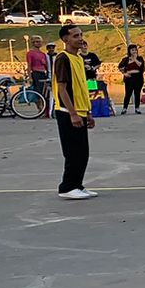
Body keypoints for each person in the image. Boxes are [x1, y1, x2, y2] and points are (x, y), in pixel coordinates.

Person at [51, 23, 96, 199]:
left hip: (81, 111)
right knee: (72, 151)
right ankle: (67, 186)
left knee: (83, 151)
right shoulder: (63, 58)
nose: (80, 38)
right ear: (65, 39)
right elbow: (62, 88)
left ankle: (77, 184)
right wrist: (73, 113)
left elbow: (81, 88)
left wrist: (88, 113)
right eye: (75, 36)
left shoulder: (78, 58)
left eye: (80, 35)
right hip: (67, 111)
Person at [117, 44, 145, 114]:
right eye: (132, 50)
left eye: (135, 50)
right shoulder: (126, 59)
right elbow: (120, 67)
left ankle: (137, 108)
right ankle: (124, 108)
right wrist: (124, 73)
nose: (134, 51)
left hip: (138, 77)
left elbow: (141, 65)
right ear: (129, 51)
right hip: (129, 77)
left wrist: (134, 59)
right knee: (128, 93)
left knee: (137, 93)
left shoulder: (140, 58)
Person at [26, 37, 50, 112]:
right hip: (36, 73)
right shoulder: (30, 53)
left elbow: (46, 65)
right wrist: (29, 76)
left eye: (39, 42)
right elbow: (29, 65)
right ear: (33, 43)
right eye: (36, 42)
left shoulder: (43, 54)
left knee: (44, 92)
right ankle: (39, 108)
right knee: (37, 91)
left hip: (43, 73)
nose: (38, 43)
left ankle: (44, 108)